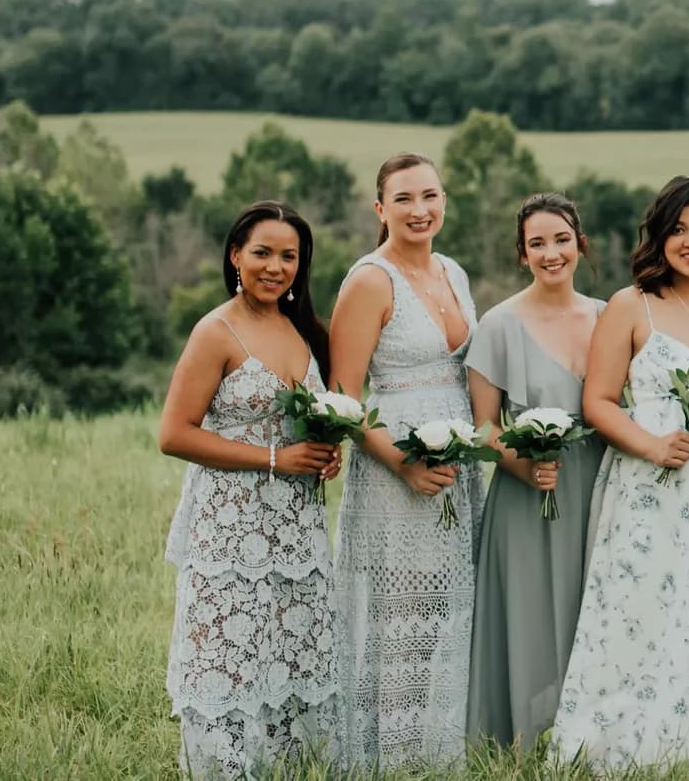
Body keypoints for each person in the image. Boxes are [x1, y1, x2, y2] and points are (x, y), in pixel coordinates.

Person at [551, 176, 689, 768]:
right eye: (677, 229)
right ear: (659, 238)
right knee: (643, 607)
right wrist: (650, 446)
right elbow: (597, 402)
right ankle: (623, 737)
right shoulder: (632, 305)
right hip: (656, 488)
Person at [159, 201, 341, 779]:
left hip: (296, 525)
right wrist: (273, 458)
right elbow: (174, 434)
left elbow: (307, 420)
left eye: (289, 256)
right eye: (262, 253)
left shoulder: (304, 329)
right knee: (228, 659)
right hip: (231, 522)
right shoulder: (216, 330)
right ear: (236, 255)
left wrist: (323, 450)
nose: (275, 266)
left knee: (289, 654)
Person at [328, 153, 483, 770]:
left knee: (445, 605)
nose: (420, 211)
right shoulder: (370, 280)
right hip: (396, 467)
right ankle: (389, 753)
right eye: (404, 199)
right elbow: (341, 397)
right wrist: (405, 465)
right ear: (380, 209)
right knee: (402, 611)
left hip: (456, 464)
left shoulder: (454, 272)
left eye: (430, 196)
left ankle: (438, 745)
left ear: (445, 200)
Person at [465, 192, 608, 748]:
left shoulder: (607, 315)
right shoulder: (498, 325)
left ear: (581, 245)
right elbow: (483, 426)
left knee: (590, 603)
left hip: (599, 480)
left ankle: (588, 738)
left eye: (561, 240)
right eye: (537, 244)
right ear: (521, 255)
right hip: (528, 488)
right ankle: (524, 736)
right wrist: (524, 466)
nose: (551, 253)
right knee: (531, 610)